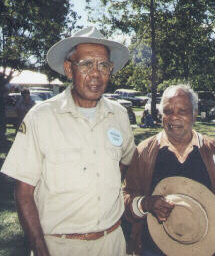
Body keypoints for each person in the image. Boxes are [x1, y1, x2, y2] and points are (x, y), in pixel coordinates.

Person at [1, 26, 135, 256]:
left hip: (112, 244)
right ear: (69, 68)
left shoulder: (119, 115)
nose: (96, 73)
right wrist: (40, 248)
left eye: (104, 65)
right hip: (60, 247)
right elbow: (23, 191)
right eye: (86, 64)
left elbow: (125, 161)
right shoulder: (41, 117)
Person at [123, 84, 215, 256]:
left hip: (206, 249)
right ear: (161, 115)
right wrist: (146, 204)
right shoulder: (144, 152)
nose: (174, 117)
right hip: (154, 249)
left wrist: (204, 216)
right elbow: (127, 197)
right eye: (168, 111)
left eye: (182, 111)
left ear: (194, 114)